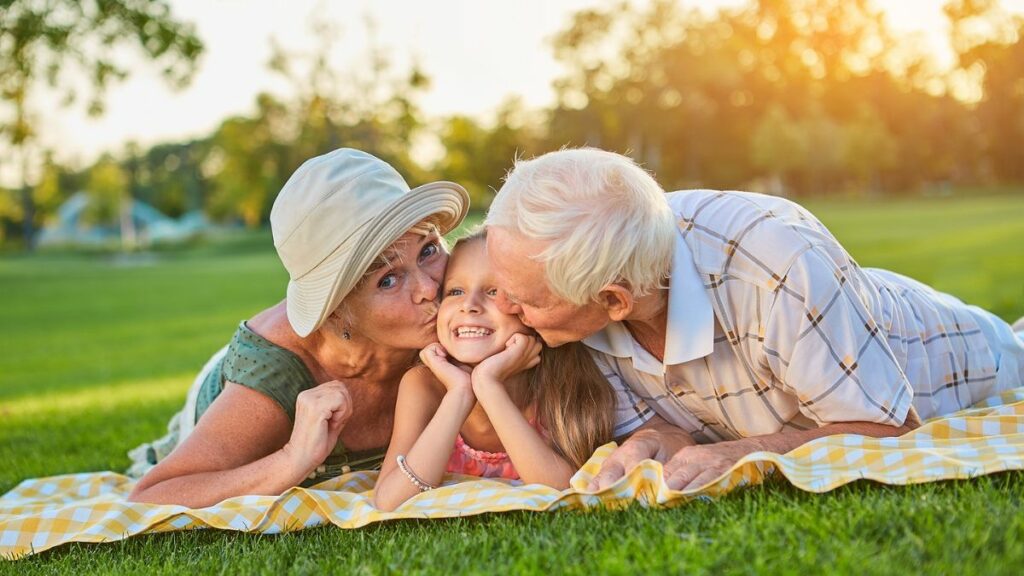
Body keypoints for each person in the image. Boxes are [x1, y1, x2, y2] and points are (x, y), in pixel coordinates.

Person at [484, 147, 1024, 493]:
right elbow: (669, 420)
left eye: (525, 299)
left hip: (964, 351)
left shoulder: (777, 265)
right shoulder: (587, 292)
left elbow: (888, 428)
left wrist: (741, 452)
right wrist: (654, 440)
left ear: (615, 301)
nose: (506, 308)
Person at [127, 148, 469, 507]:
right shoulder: (276, 375)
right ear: (335, 312)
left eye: (428, 250)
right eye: (387, 280)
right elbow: (151, 496)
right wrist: (293, 458)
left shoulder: (458, 307)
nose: (429, 288)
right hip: (224, 383)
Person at [373, 229, 622, 511]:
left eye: (493, 292)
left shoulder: (556, 378)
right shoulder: (423, 385)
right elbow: (389, 500)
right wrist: (459, 393)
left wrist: (488, 386)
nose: (469, 306)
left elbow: (561, 493)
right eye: (455, 291)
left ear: (529, 309)